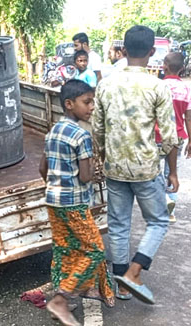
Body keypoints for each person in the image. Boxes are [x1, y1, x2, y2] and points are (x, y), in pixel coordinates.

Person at [93, 25, 178, 305]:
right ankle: (134, 271)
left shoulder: (105, 84)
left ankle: (123, 286)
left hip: (115, 168)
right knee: (158, 220)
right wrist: (173, 171)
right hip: (145, 168)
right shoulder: (157, 86)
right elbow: (169, 136)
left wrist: (105, 157)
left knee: (118, 225)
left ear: (124, 51)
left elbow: (98, 130)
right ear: (153, 52)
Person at [39, 80, 114, 326]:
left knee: (63, 248)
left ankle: (63, 297)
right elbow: (85, 176)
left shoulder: (53, 131)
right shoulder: (82, 134)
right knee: (94, 250)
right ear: (70, 104)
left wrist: (57, 186)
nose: (91, 107)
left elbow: (43, 168)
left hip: (54, 201)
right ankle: (61, 300)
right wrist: (92, 166)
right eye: (87, 102)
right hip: (74, 204)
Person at [154, 52, 191, 223]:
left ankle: (162, 201)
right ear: (182, 69)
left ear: (164, 66)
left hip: (157, 136)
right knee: (172, 172)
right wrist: (190, 140)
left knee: (155, 172)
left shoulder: (158, 86)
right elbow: (188, 117)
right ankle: (170, 208)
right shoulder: (185, 89)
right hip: (177, 137)